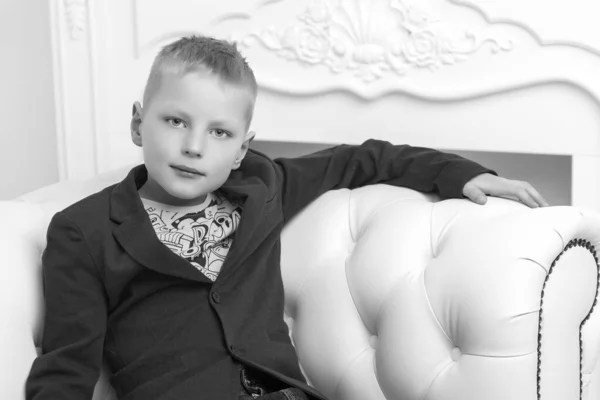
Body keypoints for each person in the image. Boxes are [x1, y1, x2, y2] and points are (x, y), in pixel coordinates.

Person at [25, 35, 548, 400]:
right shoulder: (83, 230)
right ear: (139, 124)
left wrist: (460, 174)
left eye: (219, 132)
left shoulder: (262, 188)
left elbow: (361, 157)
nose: (192, 146)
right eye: (175, 121)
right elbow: (66, 367)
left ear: (241, 148)